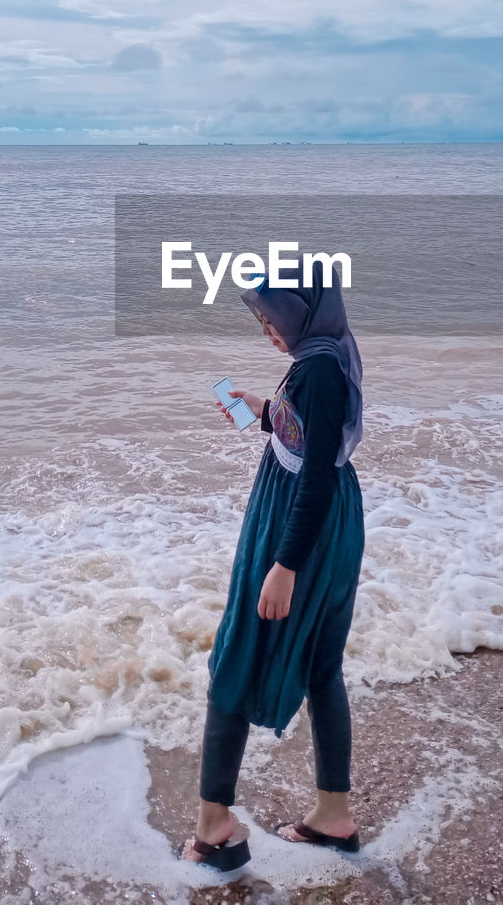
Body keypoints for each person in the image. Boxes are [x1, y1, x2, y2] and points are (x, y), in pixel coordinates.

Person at [176, 259, 365, 870]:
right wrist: (262, 410)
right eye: (259, 318)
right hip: (330, 522)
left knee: (236, 656)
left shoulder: (319, 369)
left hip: (300, 527)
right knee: (319, 666)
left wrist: (283, 564)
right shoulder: (327, 353)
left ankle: (216, 827)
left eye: (270, 316)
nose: (265, 328)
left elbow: (311, 478)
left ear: (300, 311)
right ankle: (333, 815)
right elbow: (315, 439)